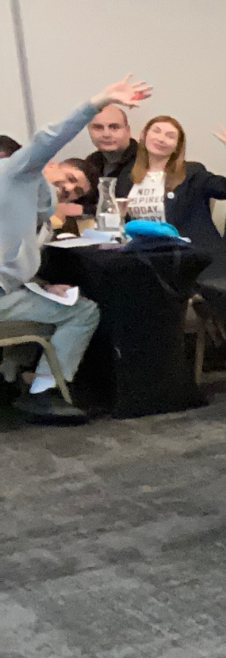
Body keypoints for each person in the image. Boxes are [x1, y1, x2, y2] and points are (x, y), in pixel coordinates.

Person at [1, 76, 150, 421]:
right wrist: (97, 101)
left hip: (7, 290)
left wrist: (40, 286)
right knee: (83, 312)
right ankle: (43, 391)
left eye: (77, 189)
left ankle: (21, 376)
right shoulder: (16, 174)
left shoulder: (37, 206)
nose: (68, 189)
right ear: (49, 164)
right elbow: (48, 138)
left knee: (65, 302)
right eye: (67, 178)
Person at [124, 115, 226, 278]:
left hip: (191, 261)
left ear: (177, 146)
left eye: (170, 136)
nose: (161, 139)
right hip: (146, 260)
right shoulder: (128, 177)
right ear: (143, 136)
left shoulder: (192, 173)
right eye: (156, 131)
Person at [79, 103, 137, 211]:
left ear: (128, 130)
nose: (106, 134)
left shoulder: (145, 162)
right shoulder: (91, 163)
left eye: (114, 127)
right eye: (98, 127)